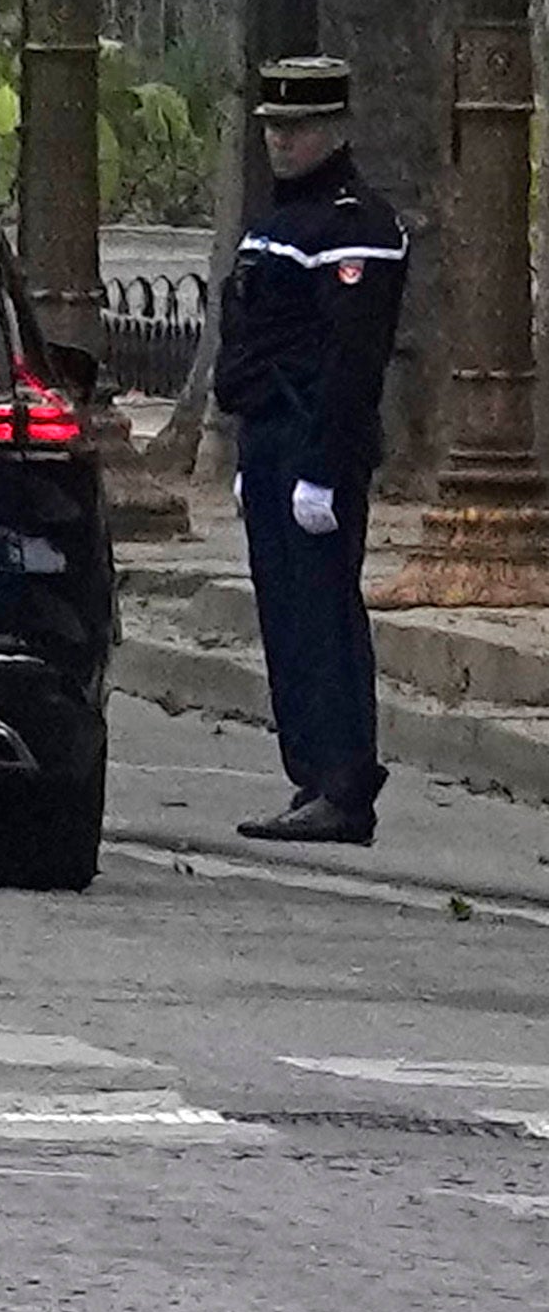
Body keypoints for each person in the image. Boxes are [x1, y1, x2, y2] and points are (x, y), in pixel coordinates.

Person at [225, 51, 411, 845]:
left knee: (323, 617)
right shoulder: (278, 223)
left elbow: (347, 362)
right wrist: (247, 457)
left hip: (313, 443)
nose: (281, 142)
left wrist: (322, 471)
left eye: (297, 129)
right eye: (274, 127)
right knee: (286, 621)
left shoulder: (354, 227)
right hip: (270, 438)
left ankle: (344, 781)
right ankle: (311, 777)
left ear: (333, 130)